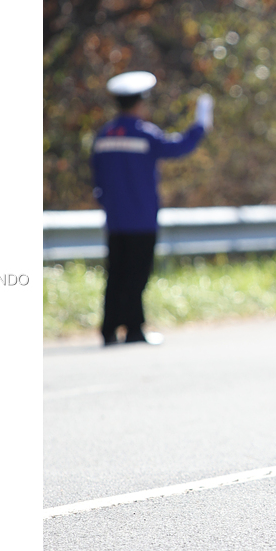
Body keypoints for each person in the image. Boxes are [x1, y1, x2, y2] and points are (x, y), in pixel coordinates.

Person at [90, 71, 213, 346]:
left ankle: (109, 330)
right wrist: (200, 126)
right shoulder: (144, 133)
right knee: (137, 275)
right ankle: (134, 329)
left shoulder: (104, 134)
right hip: (142, 218)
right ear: (140, 102)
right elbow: (178, 147)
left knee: (115, 274)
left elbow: (96, 176)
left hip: (115, 219)